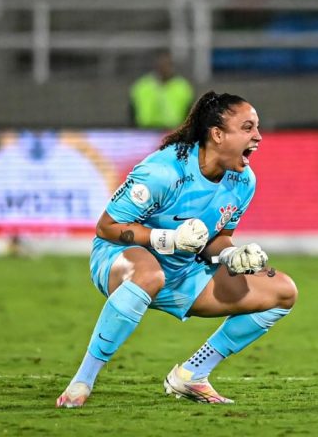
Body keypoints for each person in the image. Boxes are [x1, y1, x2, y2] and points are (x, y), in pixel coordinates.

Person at [57, 91, 298, 407]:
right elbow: (108, 228)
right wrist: (166, 240)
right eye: (248, 127)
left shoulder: (244, 182)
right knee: (148, 273)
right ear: (217, 134)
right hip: (120, 261)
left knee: (282, 291)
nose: (258, 137)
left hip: (183, 272)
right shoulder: (164, 171)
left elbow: (217, 239)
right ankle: (82, 381)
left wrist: (230, 255)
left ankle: (192, 374)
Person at [129, 52, 194, 129]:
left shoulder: (183, 87)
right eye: (161, 65)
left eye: (167, 65)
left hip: (173, 131)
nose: (163, 68)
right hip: (145, 131)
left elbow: (190, 112)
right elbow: (132, 111)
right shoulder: (141, 86)